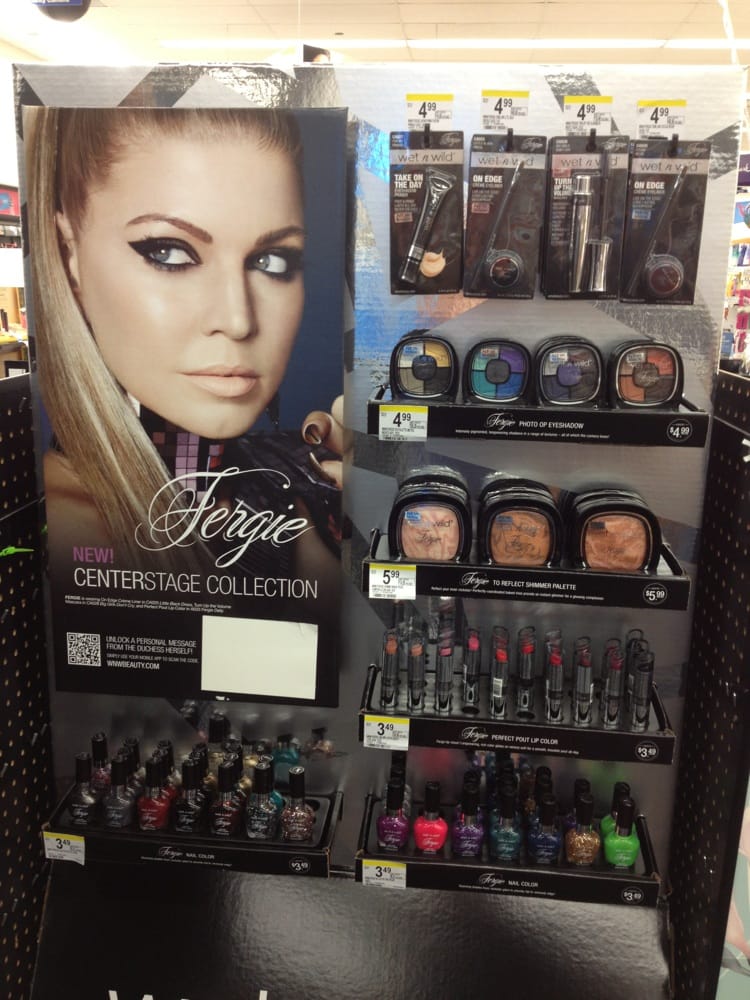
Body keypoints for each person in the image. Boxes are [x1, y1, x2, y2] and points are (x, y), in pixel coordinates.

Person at [24, 106, 344, 578]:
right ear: (68, 253)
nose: (238, 321)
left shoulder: (301, 475)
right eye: (169, 252)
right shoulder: (43, 533)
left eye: (272, 260)